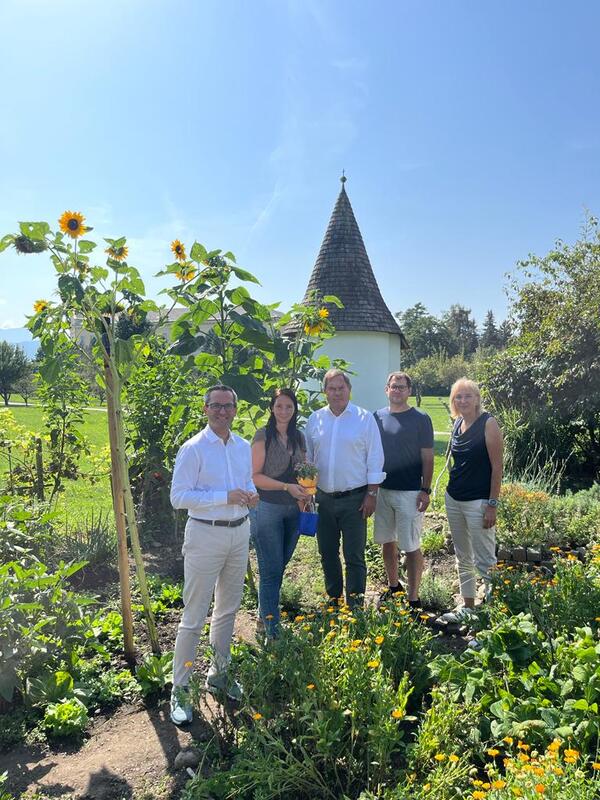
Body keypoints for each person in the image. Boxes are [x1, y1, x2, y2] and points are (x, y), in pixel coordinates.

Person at [169, 384, 259, 725]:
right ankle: (180, 688)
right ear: (205, 408)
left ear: (235, 409)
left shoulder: (243, 446)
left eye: (228, 406)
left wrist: (251, 496)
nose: (222, 412)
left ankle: (219, 674)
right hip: (205, 534)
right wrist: (225, 496)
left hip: (239, 533)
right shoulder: (193, 449)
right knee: (193, 616)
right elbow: (178, 497)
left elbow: (246, 484)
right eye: (216, 406)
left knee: (227, 610)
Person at [305, 369, 385, 607]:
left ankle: (356, 606)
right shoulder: (315, 420)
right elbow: (308, 460)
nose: (337, 392)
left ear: (349, 390)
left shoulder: (364, 419)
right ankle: (334, 600)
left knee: (354, 555)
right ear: (325, 391)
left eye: (341, 388)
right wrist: (308, 494)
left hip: (355, 499)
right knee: (327, 553)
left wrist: (372, 494)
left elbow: (375, 457)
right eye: (332, 388)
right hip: (323, 499)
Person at [440, 378, 503, 624]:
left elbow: (497, 468)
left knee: (485, 560)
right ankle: (468, 607)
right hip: (454, 499)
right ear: (453, 401)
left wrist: (492, 504)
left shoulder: (488, 424)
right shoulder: (458, 423)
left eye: (468, 396)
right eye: (458, 397)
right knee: (462, 555)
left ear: (477, 399)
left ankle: (491, 617)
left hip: (479, 502)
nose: (463, 400)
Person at [251, 388, 309, 637]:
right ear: (272, 409)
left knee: (280, 565)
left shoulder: (299, 438)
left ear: (295, 409)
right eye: (279, 406)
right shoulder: (263, 436)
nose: (284, 411)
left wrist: (306, 492)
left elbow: (304, 471)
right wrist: (287, 487)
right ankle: (272, 632)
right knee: (270, 569)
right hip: (267, 508)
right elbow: (255, 478)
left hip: (294, 510)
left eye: (289, 406)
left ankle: (263, 618)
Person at [374, 372, 434, 608]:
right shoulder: (377, 417)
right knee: (387, 542)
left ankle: (413, 598)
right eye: (393, 386)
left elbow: (428, 457)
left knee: (411, 545)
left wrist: (425, 489)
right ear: (386, 389)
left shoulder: (420, 418)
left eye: (402, 387)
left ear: (409, 391)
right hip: (383, 491)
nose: (397, 390)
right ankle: (393, 586)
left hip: (410, 491)